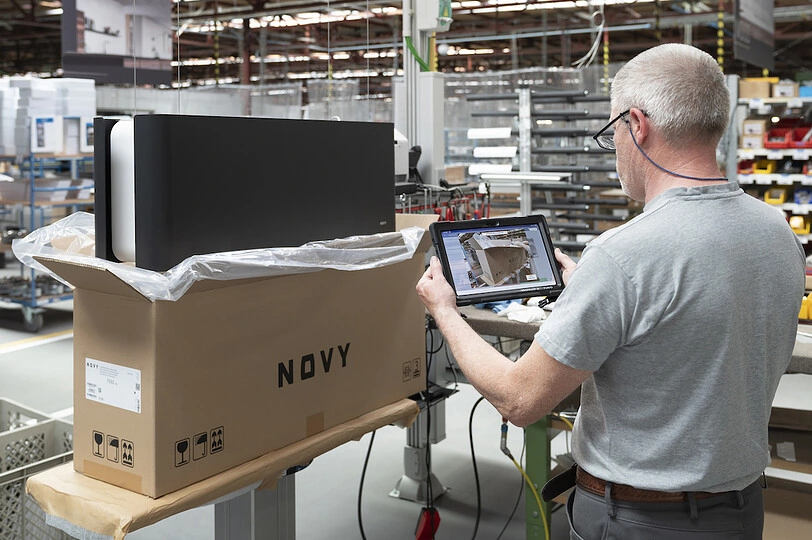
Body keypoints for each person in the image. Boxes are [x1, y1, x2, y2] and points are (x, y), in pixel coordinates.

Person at [416, 43, 806, 539]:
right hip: (740, 511)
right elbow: (696, 322)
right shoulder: (776, 231)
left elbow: (519, 402)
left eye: (613, 131)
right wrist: (596, 295)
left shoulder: (625, 254)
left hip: (638, 522)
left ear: (636, 125)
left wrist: (445, 311)